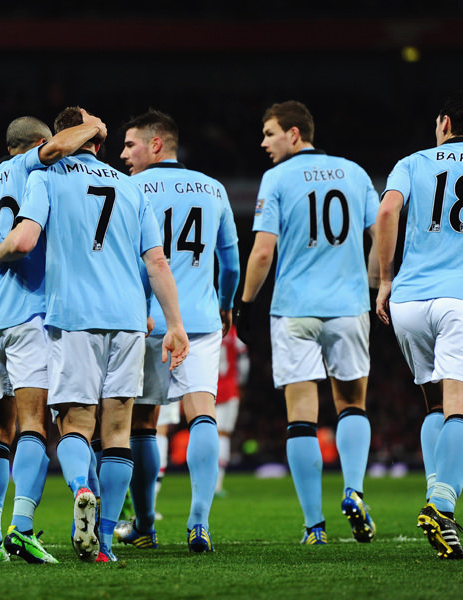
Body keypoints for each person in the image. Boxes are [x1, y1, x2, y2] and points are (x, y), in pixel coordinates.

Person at [0, 106, 189, 563]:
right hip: (130, 319)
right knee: (117, 432)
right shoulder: (132, 190)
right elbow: (157, 262)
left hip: (74, 317)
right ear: (95, 143)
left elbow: (28, 238)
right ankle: (107, 543)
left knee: (76, 425)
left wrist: (0, 249)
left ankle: (80, 488)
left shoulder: (46, 178)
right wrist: (175, 324)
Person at [0, 111, 107, 564]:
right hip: (28, 314)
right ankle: (21, 528)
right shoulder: (31, 167)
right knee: (34, 424)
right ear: (35, 144)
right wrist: (94, 128)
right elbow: (58, 149)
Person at [236, 101, 378, 545]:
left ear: (294, 134)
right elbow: (383, 232)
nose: (263, 143)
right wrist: (374, 282)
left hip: (295, 308)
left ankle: (314, 526)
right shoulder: (355, 173)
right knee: (352, 404)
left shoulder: (277, 179)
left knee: (301, 416)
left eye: (269, 133)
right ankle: (353, 490)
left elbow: (262, 251)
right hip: (348, 305)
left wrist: (244, 302)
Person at [114, 109, 240, 553]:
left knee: (143, 422)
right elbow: (231, 261)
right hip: (201, 322)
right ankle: (199, 521)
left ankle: (145, 523)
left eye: (130, 145)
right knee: (201, 412)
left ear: (156, 143)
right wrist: (226, 306)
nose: (123, 154)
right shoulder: (213, 189)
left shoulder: (126, 189)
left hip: (145, 320)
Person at [375, 90, 463, 559]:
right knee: (460, 406)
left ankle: (437, 495)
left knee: (433, 404)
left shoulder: (412, 161)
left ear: (445, 123)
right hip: (459, 299)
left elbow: (387, 211)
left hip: (409, 300)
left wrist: (386, 279)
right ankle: (442, 504)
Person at [215, 325, 248, 496]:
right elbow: (244, 363)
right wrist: (240, 384)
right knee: (223, 435)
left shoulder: (206, 327)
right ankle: (217, 484)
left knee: (205, 431)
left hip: (206, 388)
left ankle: (204, 482)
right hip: (229, 388)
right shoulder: (235, 332)